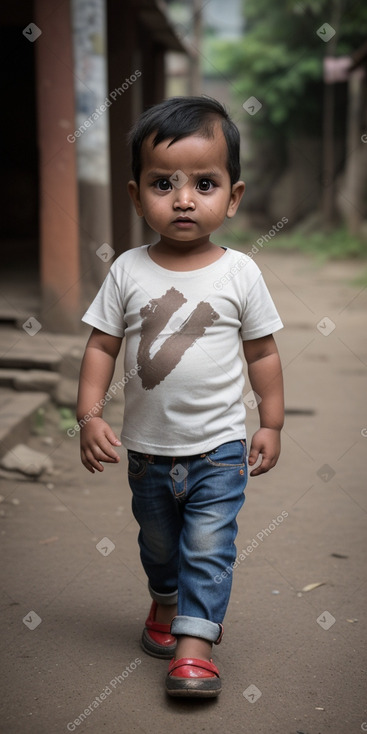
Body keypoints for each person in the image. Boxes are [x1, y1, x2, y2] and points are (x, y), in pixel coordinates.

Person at [77, 95, 284, 698]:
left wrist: (270, 422)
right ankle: (163, 602)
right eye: (163, 182)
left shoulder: (240, 273)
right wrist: (88, 413)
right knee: (159, 543)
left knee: (208, 545)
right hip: (147, 451)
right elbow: (101, 347)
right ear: (136, 195)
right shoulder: (128, 270)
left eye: (204, 182)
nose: (184, 198)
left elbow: (263, 353)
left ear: (233, 196)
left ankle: (195, 647)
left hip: (219, 448)